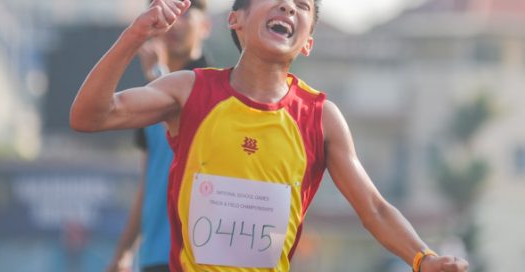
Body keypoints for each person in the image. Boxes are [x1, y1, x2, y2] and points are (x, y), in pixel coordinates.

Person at [70, 0, 470, 271]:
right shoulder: (189, 90)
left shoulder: (321, 118)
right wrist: (134, 36)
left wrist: (423, 258)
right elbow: (89, 115)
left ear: (309, 40)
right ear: (235, 19)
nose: (288, 6)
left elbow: (375, 209)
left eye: (303, 5)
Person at [106, 1, 211, 271]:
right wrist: (123, 252)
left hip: (199, 256)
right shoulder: (149, 93)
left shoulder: (218, 88)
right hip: (155, 257)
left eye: (186, 13)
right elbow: (149, 182)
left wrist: (158, 75)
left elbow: (188, 127)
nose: (175, 22)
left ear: (205, 26)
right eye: (168, 14)